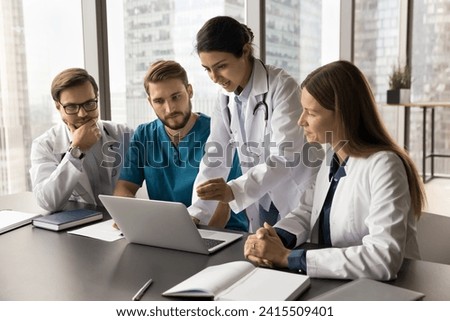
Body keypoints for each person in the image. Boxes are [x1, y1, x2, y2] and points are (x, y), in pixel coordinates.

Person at [244, 60, 426, 280]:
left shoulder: (384, 166)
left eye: (311, 113)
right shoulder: (332, 157)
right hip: (338, 282)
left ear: (342, 114)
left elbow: (382, 258)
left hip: (386, 291)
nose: (301, 121)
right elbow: (308, 211)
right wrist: (274, 238)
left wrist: (288, 258)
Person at [189, 16, 319, 231]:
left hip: (296, 194)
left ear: (246, 51)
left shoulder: (281, 87)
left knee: (293, 255)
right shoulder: (225, 98)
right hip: (261, 200)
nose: (214, 77)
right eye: (207, 69)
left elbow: (285, 155)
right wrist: (197, 213)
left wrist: (235, 190)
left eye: (221, 66)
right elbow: (215, 157)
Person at [113, 60, 248, 231]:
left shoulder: (219, 132)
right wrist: (127, 213)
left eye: (176, 97)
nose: (170, 109)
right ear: (150, 102)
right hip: (167, 233)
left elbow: (225, 204)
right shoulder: (144, 134)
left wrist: (197, 241)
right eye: (159, 101)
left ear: (189, 91)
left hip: (223, 233)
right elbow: (124, 186)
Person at [30, 68, 133, 211]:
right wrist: (77, 151)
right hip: (76, 228)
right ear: (58, 106)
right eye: (71, 107)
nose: (83, 114)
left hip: (119, 223)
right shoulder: (44, 145)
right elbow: (48, 202)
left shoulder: (123, 133)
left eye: (89, 103)